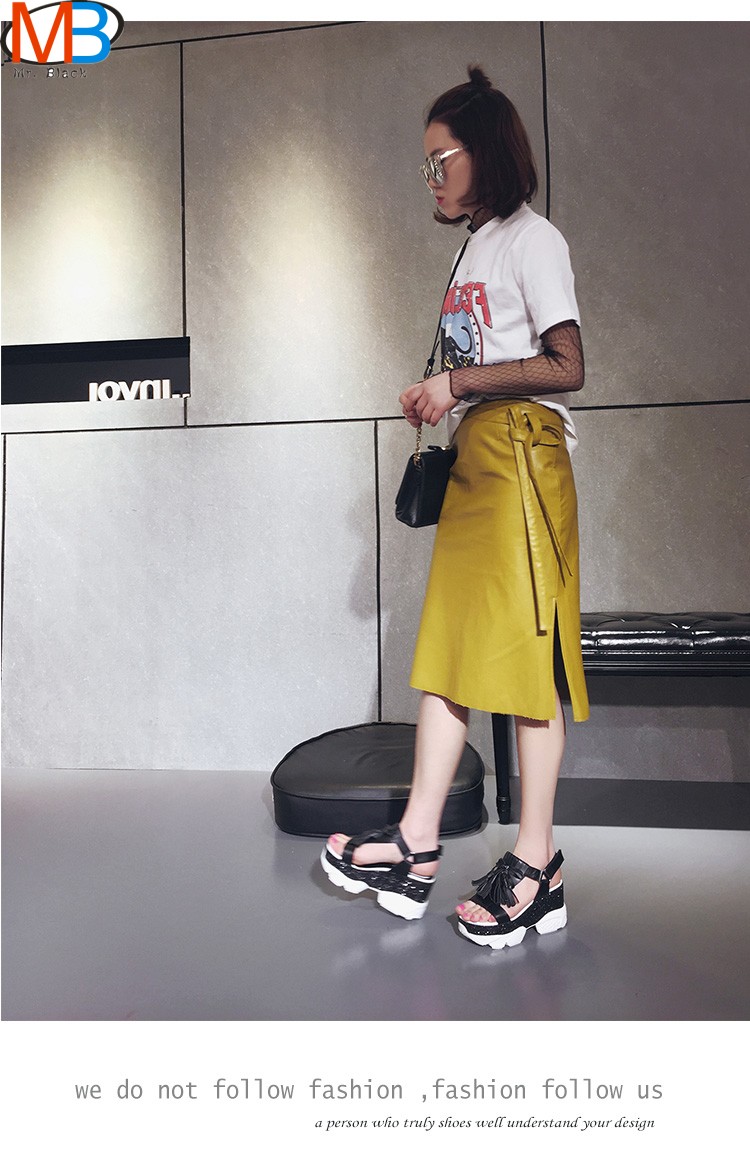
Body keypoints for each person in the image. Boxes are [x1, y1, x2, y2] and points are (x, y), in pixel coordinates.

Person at [320, 65, 589, 949]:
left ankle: (538, 865)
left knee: (527, 662)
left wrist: (459, 383)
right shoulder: (475, 245)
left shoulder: (533, 239)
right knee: (447, 656)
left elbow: (567, 364)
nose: (431, 177)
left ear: (487, 154)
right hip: (480, 458)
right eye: (426, 163)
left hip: (522, 459)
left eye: (442, 159)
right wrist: (443, 394)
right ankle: (416, 843)